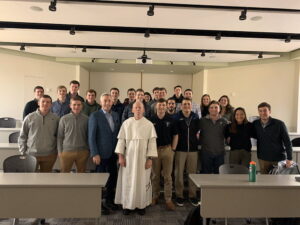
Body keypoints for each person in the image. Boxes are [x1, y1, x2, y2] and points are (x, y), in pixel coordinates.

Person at [115, 101, 157, 216]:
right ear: (132, 110)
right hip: (128, 158)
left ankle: (141, 205)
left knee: (142, 180)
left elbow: (152, 143)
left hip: (143, 159)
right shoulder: (126, 123)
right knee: (128, 181)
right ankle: (127, 205)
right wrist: (120, 157)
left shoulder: (149, 125)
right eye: (136, 108)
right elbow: (121, 141)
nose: (138, 109)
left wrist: (150, 159)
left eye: (140, 108)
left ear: (143, 110)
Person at [88, 93, 121, 214]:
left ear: (112, 102)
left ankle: (109, 201)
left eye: (109, 100)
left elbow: (117, 135)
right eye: (105, 101)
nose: (107, 103)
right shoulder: (95, 116)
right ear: (101, 102)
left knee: (112, 179)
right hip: (100, 155)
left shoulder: (116, 115)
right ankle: (98, 204)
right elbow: (91, 137)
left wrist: (119, 152)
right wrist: (95, 153)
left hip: (113, 154)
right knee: (99, 181)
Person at [150, 98, 178, 211]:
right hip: (155, 150)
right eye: (159, 105)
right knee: (155, 176)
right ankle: (155, 196)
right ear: (156, 106)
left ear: (166, 106)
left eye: (163, 105)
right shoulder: (151, 120)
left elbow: (176, 135)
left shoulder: (171, 120)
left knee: (167, 176)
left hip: (167, 150)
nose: (161, 107)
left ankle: (168, 199)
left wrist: (173, 149)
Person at [19, 95, 59, 172]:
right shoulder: (29, 117)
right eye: (43, 101)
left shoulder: (56, 118)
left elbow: (58, 136)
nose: (45, 104)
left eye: (48, 102)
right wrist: (23, 151)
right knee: (31, 179)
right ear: (38, 103)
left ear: (51, 104)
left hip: (49, 154)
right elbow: (23, 135)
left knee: (46, 178)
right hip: (32, 154)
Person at [253, 102, 293, 174]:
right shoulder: (255, 124)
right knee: (264, 181)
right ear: (258, 112)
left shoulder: (279, 124)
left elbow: (287, 142)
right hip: (263, 158)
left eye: (265, 110)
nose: (263, 113)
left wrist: (289, 158)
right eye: (260, 111)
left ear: (270, 111)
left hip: (278, 159)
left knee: (278, 182)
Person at [174, 98, 200, 207]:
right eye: (184, 104)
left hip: (193, 150)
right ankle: (179, 195)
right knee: (179, 173)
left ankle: (192, 195)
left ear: (191, 105)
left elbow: (198, 132)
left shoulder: (195, 117)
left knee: (192, 173)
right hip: (180, 149)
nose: (186, 106)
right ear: (181, 106)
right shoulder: (176, 117)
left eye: (188, 104)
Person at [57, 97, 89, 173]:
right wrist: (60, 151)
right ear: (70, 106)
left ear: (82, 106)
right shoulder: (64, 119)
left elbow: (88, 136)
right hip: (67, 151)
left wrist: (87, 150)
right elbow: (60, 136)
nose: (76, 107)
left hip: (82, 152)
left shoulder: (87, 119)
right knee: (64, 173)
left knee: (81, 173)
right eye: (74, 105)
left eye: (78, 105)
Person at [199, 101, 228, 174]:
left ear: (219, 109)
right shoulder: (202, 121)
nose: (214, 109)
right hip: (206, 152)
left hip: (219, 153)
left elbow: (228, 135)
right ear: (208, 109)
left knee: (218, 175)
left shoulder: (224, 121)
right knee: (206, 174)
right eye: (211, 107)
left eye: (216, 107)